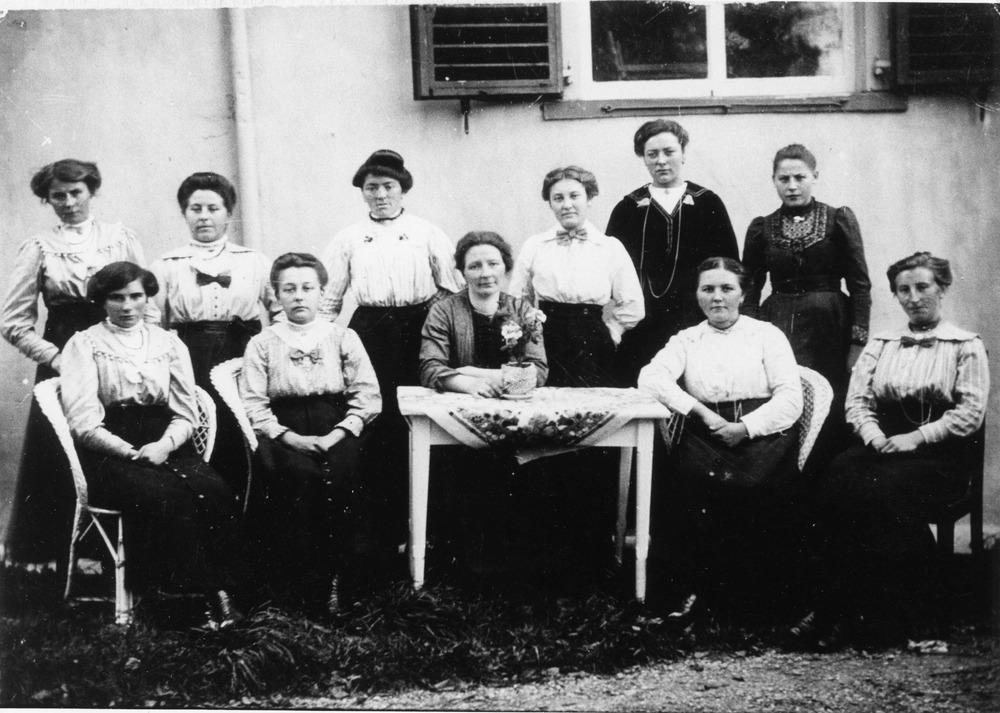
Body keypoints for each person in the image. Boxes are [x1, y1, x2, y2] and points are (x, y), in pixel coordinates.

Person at [791, 253, 988, 651]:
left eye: (922, 287)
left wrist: (916, 438)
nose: (913, 298)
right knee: (833, 482)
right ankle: (836, 609)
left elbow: (970, 413)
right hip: (882, 445)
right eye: (903, 290)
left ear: (942, 288)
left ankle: (887, 615)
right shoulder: (881, 344)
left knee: (880, 493)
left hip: (938, 455)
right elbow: (858, 401)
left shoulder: (965, 345)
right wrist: (873, 433)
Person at [59, 262, 242, 625]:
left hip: (165, 439)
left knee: (215, 490)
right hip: (109, 448)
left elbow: (187, 412)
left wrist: (164, 445)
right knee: (162, 496)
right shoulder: (84, 344)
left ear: (147, 297)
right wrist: (129, 453)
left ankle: (222, 593)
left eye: (136, 296)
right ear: (101, 300)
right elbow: (83, 423)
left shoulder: (168, 343)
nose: (127, 306)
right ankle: (178, 600)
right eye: (117, 298)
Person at [1, 159, 154, 565]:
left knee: (120, 437)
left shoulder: (119, 239)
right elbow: (13, 323)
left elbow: (147, 304)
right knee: (62, 448)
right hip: (64, 352)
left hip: (118, 349)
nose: (69, 203)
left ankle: (126, 555)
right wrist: (58, 359)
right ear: (47, 199)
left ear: (91, 191)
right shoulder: (39, 248)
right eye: (58, 196)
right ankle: (56, 556)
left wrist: (145, 352)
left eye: (76, 193)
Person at [638, 257, 803, 613]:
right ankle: (696, 594)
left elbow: (791, 398)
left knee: (752, 490)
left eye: (727, 288)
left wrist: (745, 428)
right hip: (706, 431)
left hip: (763, 433)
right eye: (707, 289)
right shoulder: (688, 339)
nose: (717, 297)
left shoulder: (766, 335)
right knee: (686, 488)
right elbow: (650, 378)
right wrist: (700, 412)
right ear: (697, 295)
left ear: (743, 294)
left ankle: (752, 600)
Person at [319, 149, 460, 545]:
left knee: (422, 416)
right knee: (377, 420)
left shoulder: (426, 232)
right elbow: (329, 298)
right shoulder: (349, 237)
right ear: (362, 192)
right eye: (371, 188)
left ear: (402, 189)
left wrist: (434, 320)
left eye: (388, 186)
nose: (380, 195)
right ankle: (382, 527)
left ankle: (432, 525)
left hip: (418, 330)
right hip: (370, 332)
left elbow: (452, 288)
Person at [240, 253, 381, 614]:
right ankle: (302, 586)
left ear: (322, 293)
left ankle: (346, 581)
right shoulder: (262, 343)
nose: (299, 296)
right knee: (299, 475)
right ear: (277, 296)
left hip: (337, 425)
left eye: (307, 288)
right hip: (285, 431)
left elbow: (367, 396)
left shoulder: (343, 337)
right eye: (289, 289)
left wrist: (336, 435)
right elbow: (254, 405)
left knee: (346, 472)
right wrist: (292, 439)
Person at [419, 232, 549, 575]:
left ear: (505, 267)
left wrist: (473, 371)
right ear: (462, 271)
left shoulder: (521, 309)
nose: (485, 273)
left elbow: (537, 370)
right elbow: (430, 366)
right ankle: (468, 566)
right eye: (474, 266)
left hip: (516, 416)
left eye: (493, 263)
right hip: (462, 419)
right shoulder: (444, 310)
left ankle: (520, 566)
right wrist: (467, 383)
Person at [742, 144, 871, 466]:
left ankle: (828, 480)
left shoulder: (838, 219)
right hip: (780, 326)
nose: (792, 186)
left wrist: (857, 343)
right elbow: (750, 289)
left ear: (815, 176)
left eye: (800, 177)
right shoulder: (762, 228)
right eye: (783, 179)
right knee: (786, 397)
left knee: (833, 400)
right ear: (774, 180)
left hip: (831, 325)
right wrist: (753, 337)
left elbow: (859, 284)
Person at [150, 172, 279, 492]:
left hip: (243, 355)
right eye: (195, 209)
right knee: (200, 426)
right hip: (189, 357)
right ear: (185, 213)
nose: (204, 217)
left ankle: (249, 504)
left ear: (228, 213)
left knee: (244, 426)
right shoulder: (167, 265)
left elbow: (279, 313)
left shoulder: (254, 262)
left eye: (213, 208)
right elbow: (152, 324)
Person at [606, 120, 738, 386]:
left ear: (683, 153)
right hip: (643, 323)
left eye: (669, 152)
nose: (661, 161)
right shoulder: (628, 208)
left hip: (696, 319)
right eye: (652, 154)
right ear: (643, 158)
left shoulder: (707, 203)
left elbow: (730, 267)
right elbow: (609, 268)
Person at [508, 165, 643, 388]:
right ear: (550, 203)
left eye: (574, 196)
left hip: (593, 340)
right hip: (545, 338)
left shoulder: (610, 247)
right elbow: (517, 299)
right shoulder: (535, 245)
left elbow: (633, 304)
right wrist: (529, 336)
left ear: (589, 199)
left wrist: (612, 333)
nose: (567, 205)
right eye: (558, 198)